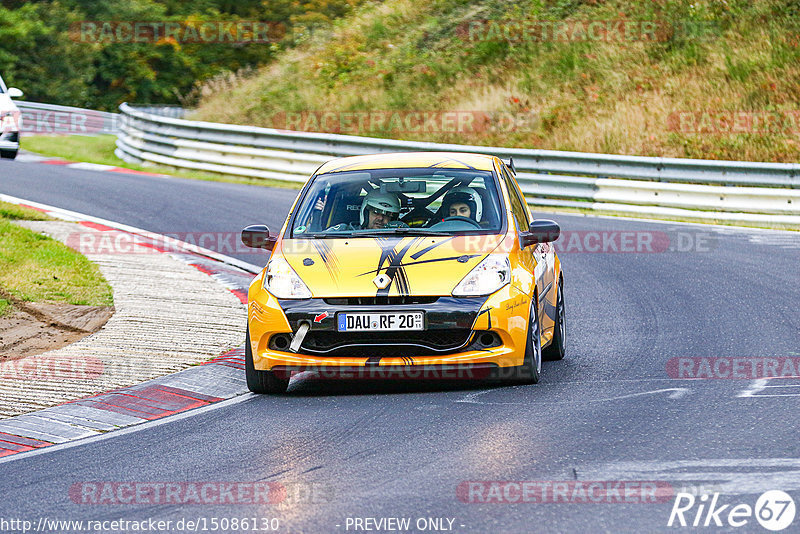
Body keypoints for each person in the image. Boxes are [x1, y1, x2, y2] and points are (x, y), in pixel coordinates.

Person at [326, 189, 408, 231]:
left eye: (387, 214)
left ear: (393, 219)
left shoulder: (405, 238)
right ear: (365, 213)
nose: (380, 218)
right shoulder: (342, 231)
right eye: (376, 212)